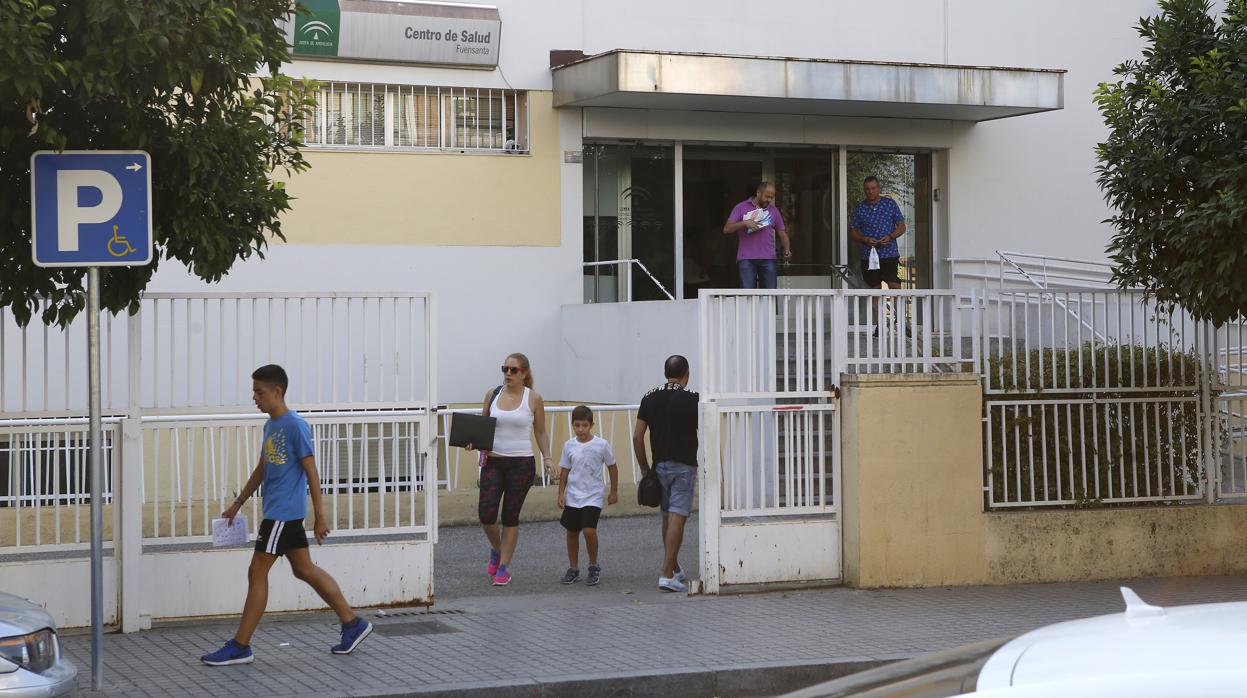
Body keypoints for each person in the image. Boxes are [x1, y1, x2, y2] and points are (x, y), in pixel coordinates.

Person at [201, 364, 372, 666]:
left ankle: (241, 646)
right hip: (279, 514)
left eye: (259, 392)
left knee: (256, 572)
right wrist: (238, 502)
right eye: (254, 391)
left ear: (277, 392)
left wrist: (320, 516)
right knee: (303, 569)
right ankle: (352, 623)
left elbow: (311, 471)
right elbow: (263, 468)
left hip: (283, 515)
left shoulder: (295, 425)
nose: (255, 397)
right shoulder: (271, 425)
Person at [467, 352, 552, 586]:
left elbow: (541, 431)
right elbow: (482, 426)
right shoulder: (492, 394)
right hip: (493, 460)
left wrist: (548, 457)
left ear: (524, 373)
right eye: (504, 369)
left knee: (510, 517)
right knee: (486, 514)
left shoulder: (533, 398)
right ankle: (497, 549)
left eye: (513, 370)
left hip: (521, 463)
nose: (507, 374)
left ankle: (503, 567)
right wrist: (473, 442)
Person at [633, 355, 699, 592]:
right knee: (678, 516)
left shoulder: (649, 397)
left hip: (659, 465)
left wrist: (644, 468)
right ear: (686, 374)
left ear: (665, 373)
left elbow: (637, 436)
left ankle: (674, 568)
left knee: (666, 516)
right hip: (685, 465)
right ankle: (665, 574)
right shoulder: (693, 399)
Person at [556, 405, 619, 586]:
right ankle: (573, 567)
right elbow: (565, 470)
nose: (581, 429)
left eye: (584, 425)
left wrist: (613, 491)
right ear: (573, 425)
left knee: (589, 530)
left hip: (593, 495)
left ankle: (593, 565)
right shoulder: (569, 446)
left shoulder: (601, 444)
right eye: (577, 425)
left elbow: (612, 467)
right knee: (572, 531)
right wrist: (561, 493)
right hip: (574, 495)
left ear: (591, 425)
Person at [723, 181, 792, 289]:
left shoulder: (774, 210)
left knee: (770, 296)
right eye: (767, 196)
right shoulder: (741, 207)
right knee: (748, 296)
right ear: (758, 193)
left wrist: (787, 249)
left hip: (768, 258)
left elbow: (782, 232)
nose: (769, 200)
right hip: (746, 259)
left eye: (771, 197)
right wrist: (744, 222)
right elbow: (727, 229)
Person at [848, 176, 906, 291]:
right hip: (869, 256)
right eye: (867, 189)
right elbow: (852, 232)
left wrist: (890, 236)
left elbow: (902, 226)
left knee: (895, 286)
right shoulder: (859, 208)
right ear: (864, 190)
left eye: (873, 188)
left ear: (879, 188)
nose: (870, 192)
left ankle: (897, 310)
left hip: (890, 254)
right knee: (873, 290)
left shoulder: (890, 204)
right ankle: (876, 310)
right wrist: (865, 239)